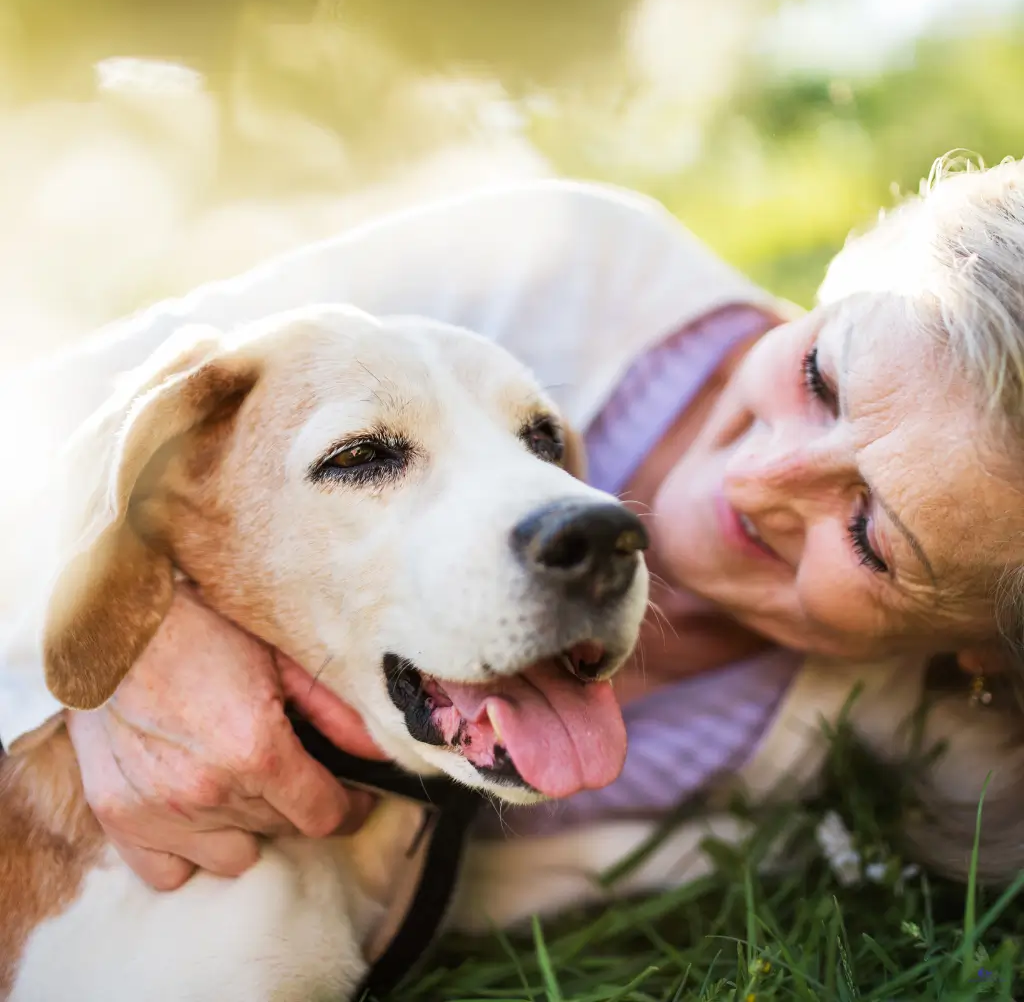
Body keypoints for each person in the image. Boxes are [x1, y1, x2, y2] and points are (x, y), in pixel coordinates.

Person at [3, 158, 1024, 897]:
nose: (758, 477)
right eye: (820, 376)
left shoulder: (927, 728)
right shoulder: (559, 263)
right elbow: (37, 424)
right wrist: (129, 618)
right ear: (836, 287)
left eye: (873, 535)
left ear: (980, 642)